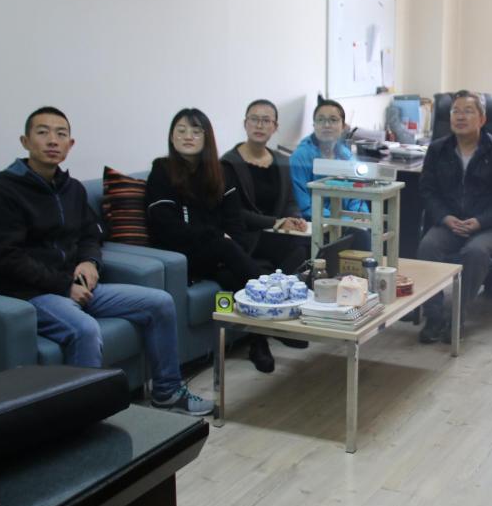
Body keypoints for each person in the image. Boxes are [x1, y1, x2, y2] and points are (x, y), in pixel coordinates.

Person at [0, 107, 213, 416]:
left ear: (71, 144)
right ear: (25, 141)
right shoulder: (4, 192)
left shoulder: (71, 188)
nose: (53, 140)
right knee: (85, 330)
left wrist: (90, 262)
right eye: (43, 132)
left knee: (160, 303)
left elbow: (91, 234)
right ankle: (84, 420)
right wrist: (64, 285)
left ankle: (167, 392)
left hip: (79, 286)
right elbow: (6, 257)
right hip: (32, 294)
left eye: (61, 134)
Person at [145, 108, 287, 375]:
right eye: (181, 131)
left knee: (233, 272)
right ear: (172, 137)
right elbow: (166, 227)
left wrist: (233, 245)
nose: (188, 136)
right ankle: (278, 307)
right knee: (230, 252)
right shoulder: (162, 170)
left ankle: (258, 341)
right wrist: (218, 238)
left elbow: (235, 222)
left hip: (219, 252)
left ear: (206, 137)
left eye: (195, 131)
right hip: (180, 254)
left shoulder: (222, 172)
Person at [416, 90, 492, 344]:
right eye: (455, 111)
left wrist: (480, 222)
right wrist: (445, 217)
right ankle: (433, 317)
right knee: (427, 247)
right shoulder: (438, 149)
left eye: (468, 111)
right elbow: (427, 191)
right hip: (449, 223)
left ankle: (455, 318)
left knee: (475, 252)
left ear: (482, 119)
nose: (460, 117)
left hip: (487, 226)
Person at [220, 99, 309, 275]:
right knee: (299, 248)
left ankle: (273, 284)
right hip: (247, 235)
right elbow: (234, 211)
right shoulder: (229, 163)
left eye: (266, 120)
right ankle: (273, 285)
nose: (259, 125)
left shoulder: (282, 161)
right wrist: (276, 222)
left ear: (275, 127)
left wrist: (295, 219)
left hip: (276, 232)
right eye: (254, 119)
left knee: (313, 244)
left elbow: (290, 201)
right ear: (245, 124)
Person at [289, 95, 369, 223]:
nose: (326, 125)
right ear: (314, 125)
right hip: (315, 224)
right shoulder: (300, 157)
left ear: (344, 127)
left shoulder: (346, 155)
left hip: (346, 222)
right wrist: (345, 221)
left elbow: (358, 196)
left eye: (333, 120)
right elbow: (304, 206)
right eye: (320, 120)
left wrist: (361, 216)